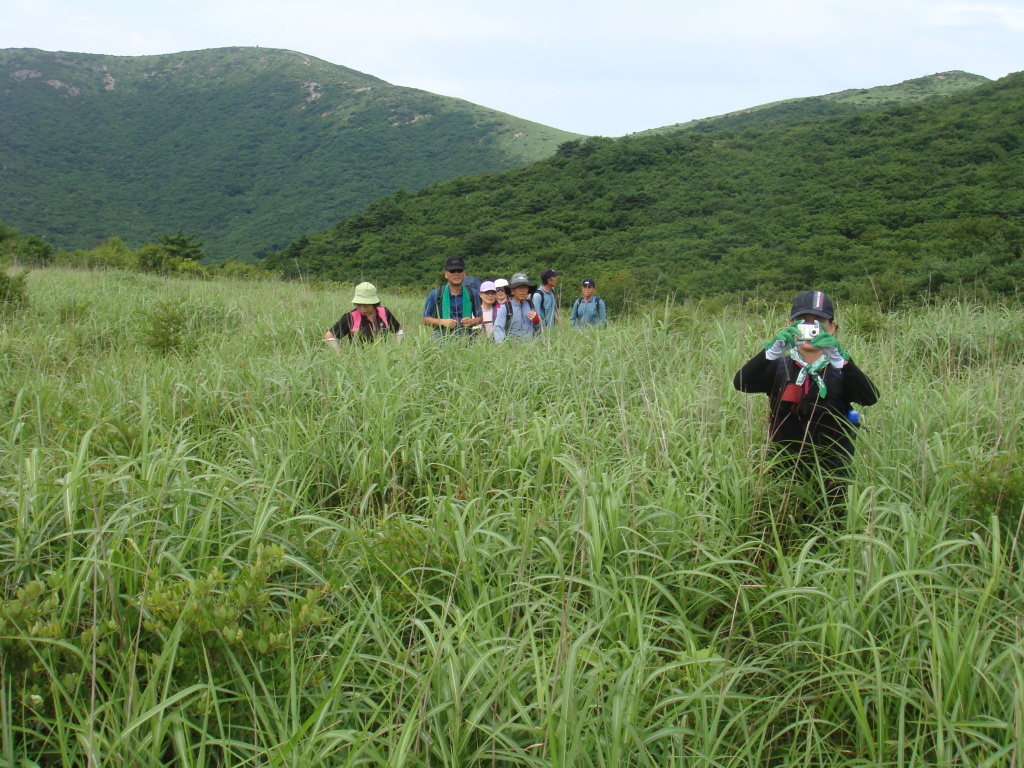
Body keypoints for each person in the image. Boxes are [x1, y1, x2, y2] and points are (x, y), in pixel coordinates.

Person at [733, 290, 879, 521]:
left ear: (832, 328)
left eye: (819, 322)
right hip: (784, 463)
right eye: (803, 322)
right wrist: (769, 354)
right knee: (782, 524)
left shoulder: (840, 366)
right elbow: (741, 383)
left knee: (832, 525)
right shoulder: (779, 364)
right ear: (790, 326)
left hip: (833, 469)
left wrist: (842, 362)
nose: (811, 329)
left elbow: (870, 397)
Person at [324, 282, 401, 351]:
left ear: (373, 303)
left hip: (382, 358)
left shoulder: (384, 312)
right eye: (358, 304)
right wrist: (339, 353)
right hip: (359, 360)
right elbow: (329, 336)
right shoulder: (351, 317)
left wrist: (398, 348)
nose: (362, 308)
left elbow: (399, 330)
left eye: (366, 305)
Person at [421, 256, 483, 339]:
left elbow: (480, 318)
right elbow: (424, 319)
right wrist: (442, 322)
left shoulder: (472, 293)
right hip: (441, 341)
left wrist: (473, 321)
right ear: (446, 274)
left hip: (467, 340)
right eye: (452, 271)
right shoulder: (436, 294)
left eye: (459, 270)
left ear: (464, 274)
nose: (456, 274)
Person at [494, 273, 541, 344]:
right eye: (518, 287)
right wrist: (500, 344)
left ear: (528, 290)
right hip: (512, 348)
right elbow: (498, 328)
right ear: (512, 290)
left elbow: (538, 328)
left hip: (531, 348)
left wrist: (537, 322)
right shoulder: (506, 308)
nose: (522, 290)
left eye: (525, 287)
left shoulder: (531, 305)